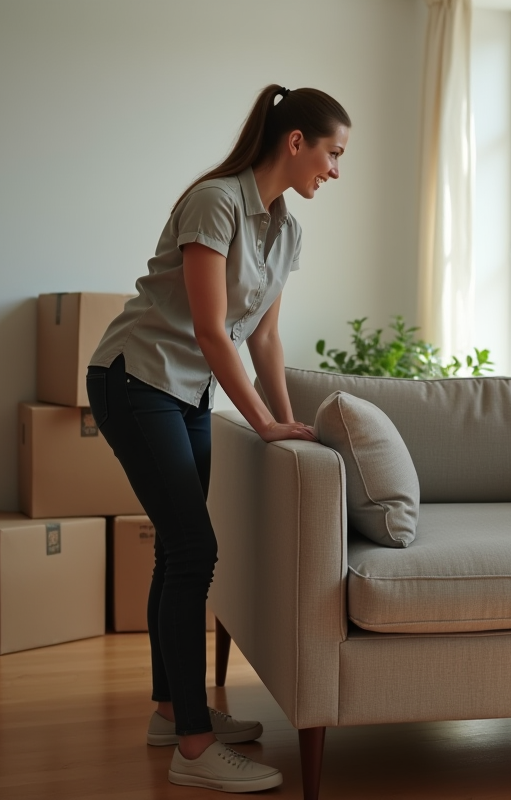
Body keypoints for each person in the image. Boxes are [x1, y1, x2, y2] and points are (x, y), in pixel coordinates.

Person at [87, 83, 350, 792]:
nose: (335, 169)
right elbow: (209, 328)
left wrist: (285, 420)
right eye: (332, 153)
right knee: (195, 549)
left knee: (178, 549)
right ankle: (195, 750)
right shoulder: (215, 201)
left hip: (186, 390)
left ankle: (174, 712)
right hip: (135, 378)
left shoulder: (286, 227)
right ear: (295, 142)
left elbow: (262, 334)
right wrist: (259, 422)